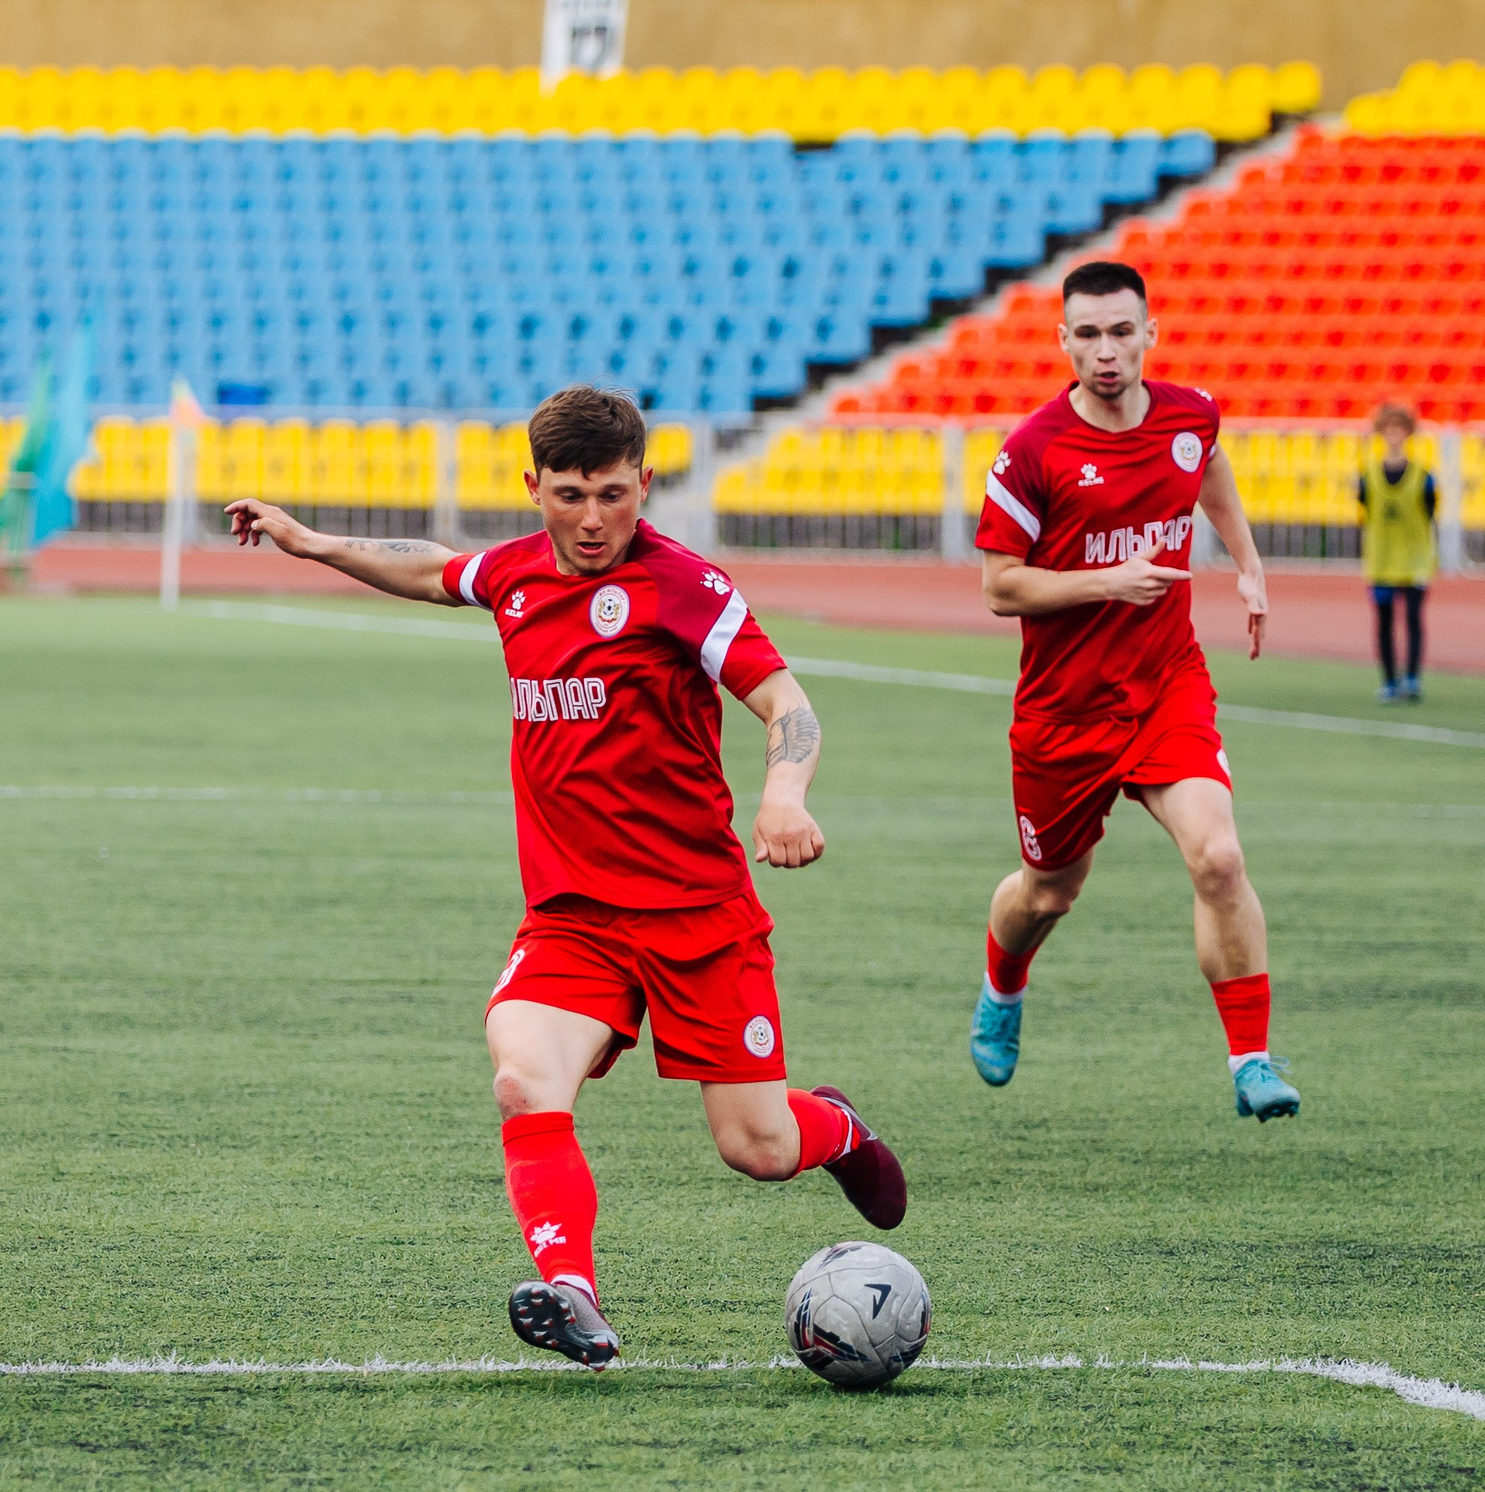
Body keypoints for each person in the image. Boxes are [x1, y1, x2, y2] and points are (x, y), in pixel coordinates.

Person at [225, 385, 904, 1370]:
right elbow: (432, 569)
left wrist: (784, 795)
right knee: (522, 1078)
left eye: (614, 495)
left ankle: (835, 1128)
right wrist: (310, 541)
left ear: (645, 484)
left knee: (755, 1147)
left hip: (696, 914)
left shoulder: (685, 587)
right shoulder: (513, 575)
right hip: (572, 918)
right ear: (534, 486)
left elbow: (785, 701)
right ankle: (571, 1293)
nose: (593, 519)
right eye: (572, 495)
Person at [968, 259, 1300, 1121]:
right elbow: (1000, 587)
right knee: (1050, 891)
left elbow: (1209, 468)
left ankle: (1252, 1059)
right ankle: (1003, 984)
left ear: (1150, 331)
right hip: (1063, 712)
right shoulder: (1032, 450)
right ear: (1064, 341)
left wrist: (1249, 563)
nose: (1106, 351)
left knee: (1218, 855)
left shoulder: (1189, 416)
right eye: (1088, 334)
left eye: (1122, 331)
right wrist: (1107, 582)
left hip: (1164, 687)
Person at [1358, 401, 1437, 704]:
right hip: (1381, 560)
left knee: (1414, 619)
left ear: (1408, 433)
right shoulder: (1368, 476)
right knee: (1384, 622)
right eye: (1388, 429)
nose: (1393, 435)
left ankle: (1412, 678)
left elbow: (1430, 512)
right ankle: (1390, 680)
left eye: (1399, 429)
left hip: (1414, 560)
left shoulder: (1423, 477)